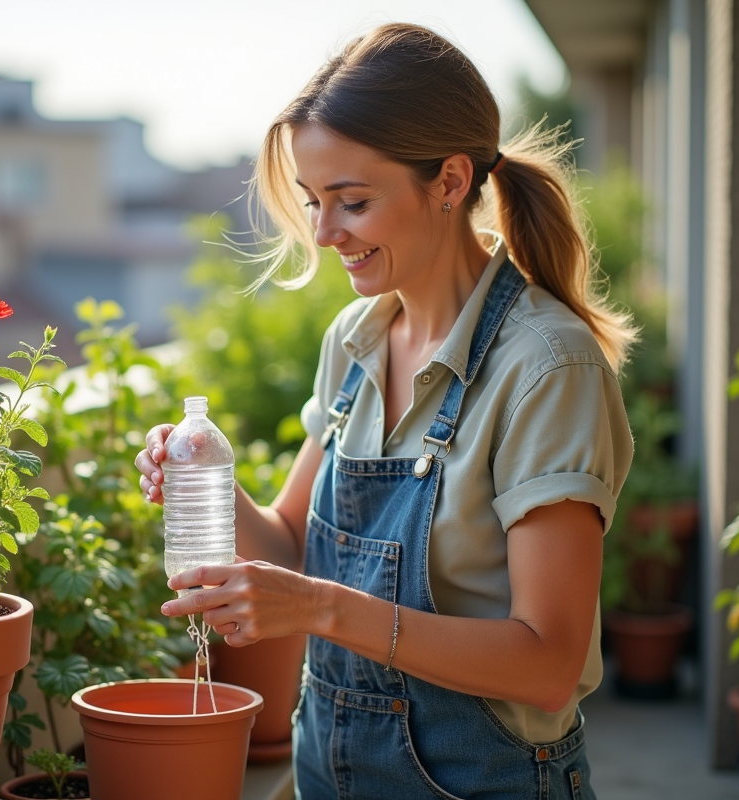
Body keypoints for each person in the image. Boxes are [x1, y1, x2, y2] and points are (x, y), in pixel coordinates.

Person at [134, 23, 635, 800]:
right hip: (327, 772)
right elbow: (296, 545)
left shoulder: (545, 367)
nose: (326, 234)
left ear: (449, 181)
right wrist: (209, 481)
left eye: (353, 202)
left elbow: (545, 664)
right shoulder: (355, 340)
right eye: (313, 203)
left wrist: (318, 609)